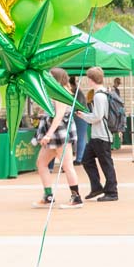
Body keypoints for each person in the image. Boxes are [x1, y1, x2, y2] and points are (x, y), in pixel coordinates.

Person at [30, 67, 83, 209]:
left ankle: (76, 197)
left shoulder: (60, 93)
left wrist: (48, 134)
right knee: (41, 163)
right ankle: (48, 196)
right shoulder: (56, 92)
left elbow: (59, 115)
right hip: (55, 134)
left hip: (60, 134)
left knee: (67, 166)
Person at [78, 66, 118, 201]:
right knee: (87, 160)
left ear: (91, 79)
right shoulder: (103, 93)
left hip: (101, 136)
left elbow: (97, 117)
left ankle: (112, 192)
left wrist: (83, 115)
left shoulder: (99, 96)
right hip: (98, 136)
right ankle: (97, 187)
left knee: (106, 164)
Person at [70, 74, 90, 164]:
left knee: (80, 138)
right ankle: (80, 157)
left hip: (81, 116)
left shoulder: (76, 92)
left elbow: (77, 106)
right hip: (79, 116)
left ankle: (80, 159)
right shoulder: (76, 91)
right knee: (80, 137)